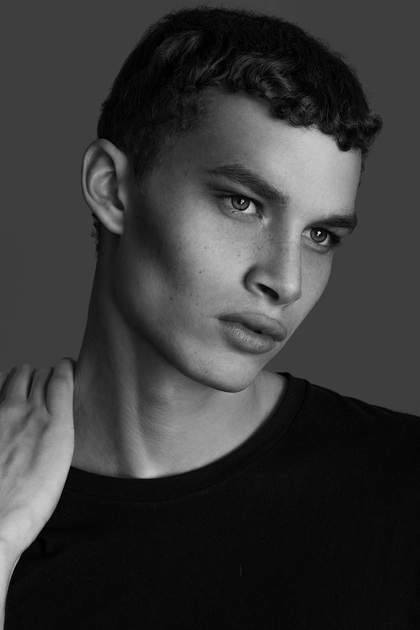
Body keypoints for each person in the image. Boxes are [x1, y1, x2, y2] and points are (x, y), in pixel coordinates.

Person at [1, 5, 419, 628]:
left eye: (321, 236)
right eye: (242, 203)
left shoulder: (405, 489)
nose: (285, 280)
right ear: (112, 188)